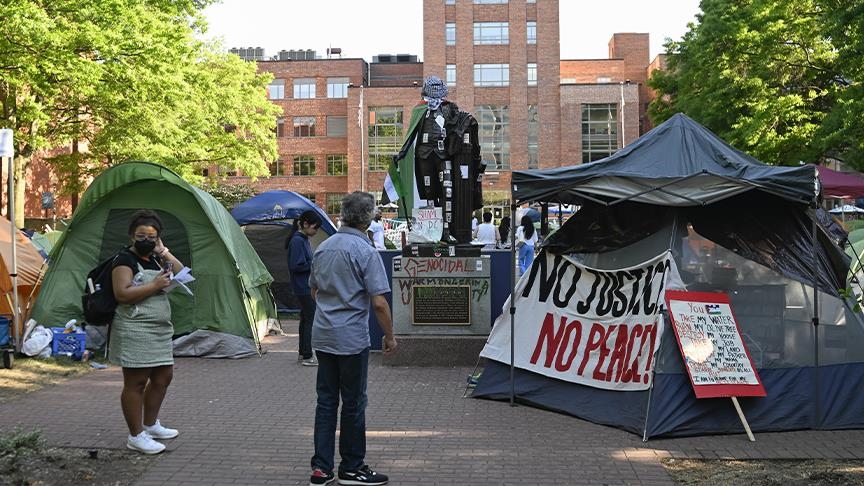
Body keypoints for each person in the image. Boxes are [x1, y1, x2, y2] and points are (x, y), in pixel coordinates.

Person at [308, 192, 397, 486]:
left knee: (326, 401)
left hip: (323, 335)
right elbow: (379, 303)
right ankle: (352, 467)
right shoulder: (366, 251)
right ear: (368, 216)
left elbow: (314, 291)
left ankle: (321, 469)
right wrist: (390, 336)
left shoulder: (323, 247)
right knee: (354, 403)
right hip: (351, 337)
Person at [109, 210, 183, 455]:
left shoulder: (155, 258)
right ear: (132, 236)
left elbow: (180, 272)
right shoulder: (124, 260)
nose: (146, 240)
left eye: (152, 236)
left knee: (163, 377)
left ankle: (151, 425)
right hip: (135, 328)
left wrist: (163, 251)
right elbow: (122, 294)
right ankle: (136, 435)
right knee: (136, 382)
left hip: (159, 330)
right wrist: (154, 285)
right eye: (141, 235)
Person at [287, 210, 322, 366]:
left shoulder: (302, 239)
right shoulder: (297, 241)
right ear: (306, 224)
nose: (315, 232)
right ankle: (307, 355)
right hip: (303, 287)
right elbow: (296, 265)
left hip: (304, 286)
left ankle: (303, 352)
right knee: (310, 320)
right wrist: (314, 264)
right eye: (315, 228)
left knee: (305, 319)